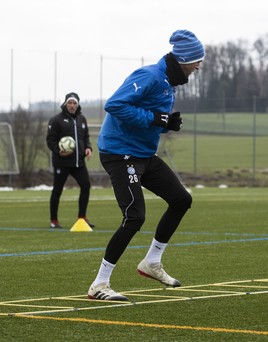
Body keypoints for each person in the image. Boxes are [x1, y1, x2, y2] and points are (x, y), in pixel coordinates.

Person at [87, 29, 203, 301]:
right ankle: (99, 284)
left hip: (143, 154)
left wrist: (166, 124)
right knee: (135, 216)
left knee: (181, 199)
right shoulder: (150, 75)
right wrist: (156, 119)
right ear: (184, 59)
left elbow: (152, 119)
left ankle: (151, 262)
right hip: (120, 153)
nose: (199, 66)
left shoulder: (169, 82)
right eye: (197, 60)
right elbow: (115, 105)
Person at [46, 92, 94, 229]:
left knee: (86, 185)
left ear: (77, 105)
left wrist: (88, 148)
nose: (72, 106)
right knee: (57, 190)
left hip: (79, 162)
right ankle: (54, 220)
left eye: (74, 103)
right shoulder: (56, 120)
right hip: (62, 163)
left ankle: (82, 217)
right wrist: (58, 151)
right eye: (70, 103)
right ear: (65, 104)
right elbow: (50, 140)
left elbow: (86, 137)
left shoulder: (82, 119)